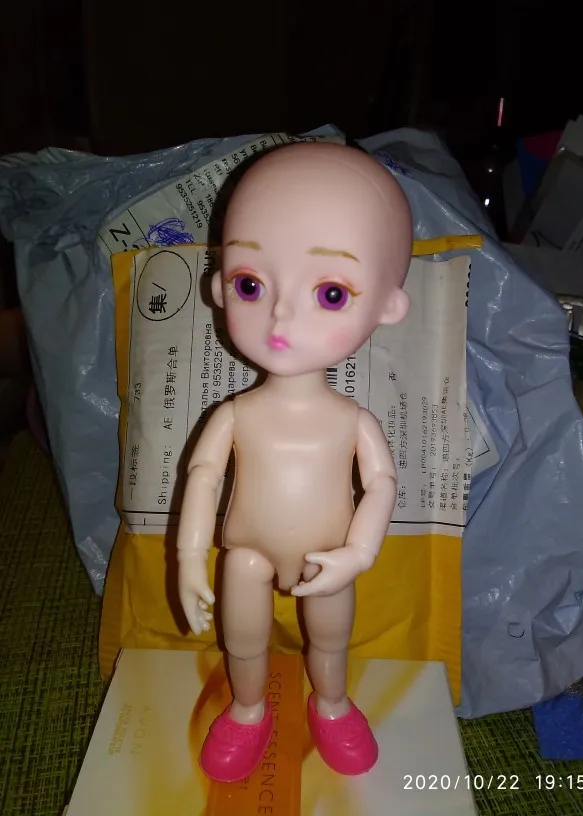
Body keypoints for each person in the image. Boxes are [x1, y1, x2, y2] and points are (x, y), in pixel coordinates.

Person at [176, 141, 413, 782]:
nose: (281, 314)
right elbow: (203, 477)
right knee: (243, 638)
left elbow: (382, 484)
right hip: (247, 554)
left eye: (330, 293)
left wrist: (358, 553)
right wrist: (189, 557)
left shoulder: (352, 421)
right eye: (250, 284)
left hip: (329, 554)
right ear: (220, 287)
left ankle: (331, 704)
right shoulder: (235, 414)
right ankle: (247, 710)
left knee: (330, 638)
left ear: (388, 305)